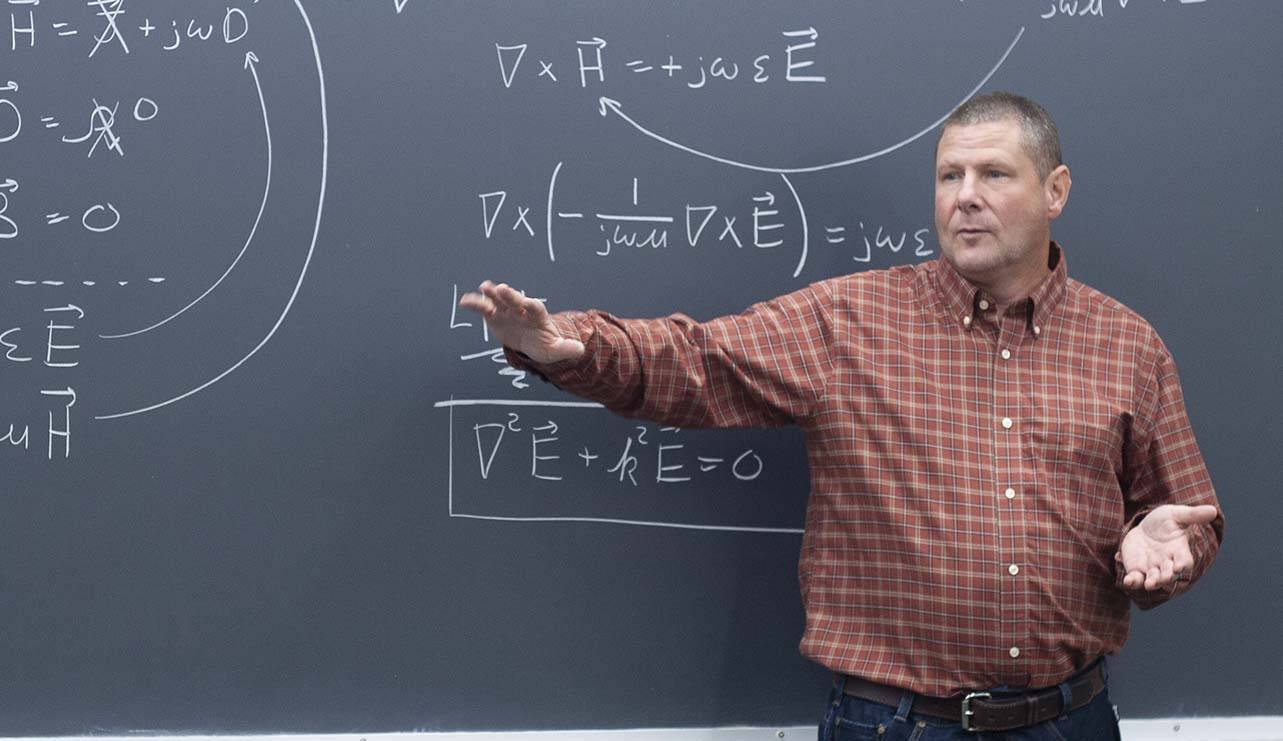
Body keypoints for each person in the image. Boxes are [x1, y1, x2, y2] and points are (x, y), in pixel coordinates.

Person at [458, 92, 1223, 739]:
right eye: (947, 175)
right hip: (892, 721)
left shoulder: (1126, 344)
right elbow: (695, 361)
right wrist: (568, 346)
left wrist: (1169, 551)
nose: (964, 195)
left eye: (993, 173)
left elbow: (1187, 514)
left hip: (1072, 717)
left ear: (1054, 190)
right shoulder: (848, 322)